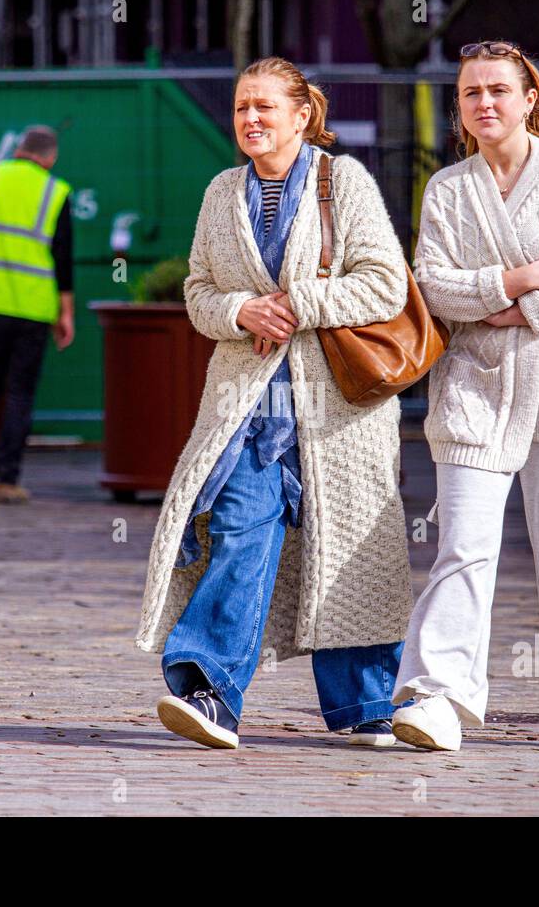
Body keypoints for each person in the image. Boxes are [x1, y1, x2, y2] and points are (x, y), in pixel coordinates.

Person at [135, 56, 414, 749]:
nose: (251, 119)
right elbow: (197, 292)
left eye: (265, 107)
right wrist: (240, 312)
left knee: (352, 547)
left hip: (339, 412)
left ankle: (365, 706)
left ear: (301, 115)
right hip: (246, 408)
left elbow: (385, 284)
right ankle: (210, 692)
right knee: (237, 527)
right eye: (240, 109)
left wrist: (298, 303)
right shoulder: (221, 192)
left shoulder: (342, 182)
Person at [391, 41, 539, 752]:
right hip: (475, 391)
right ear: (461, 107)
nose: (486, 104)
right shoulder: (448, 189)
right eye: (472, 93)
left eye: (499, 89)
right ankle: (439, 697)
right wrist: (519, 279)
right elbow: (431, 283)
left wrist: (512, 311)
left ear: (530, 96)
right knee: (461, 546)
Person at [0, 124, 75, 504]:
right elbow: (63, 257)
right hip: (34, 305)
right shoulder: (56, 192)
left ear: (19, 149)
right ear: (50, 157)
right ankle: (7, 480)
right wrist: (65, 313)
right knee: (20, 391)